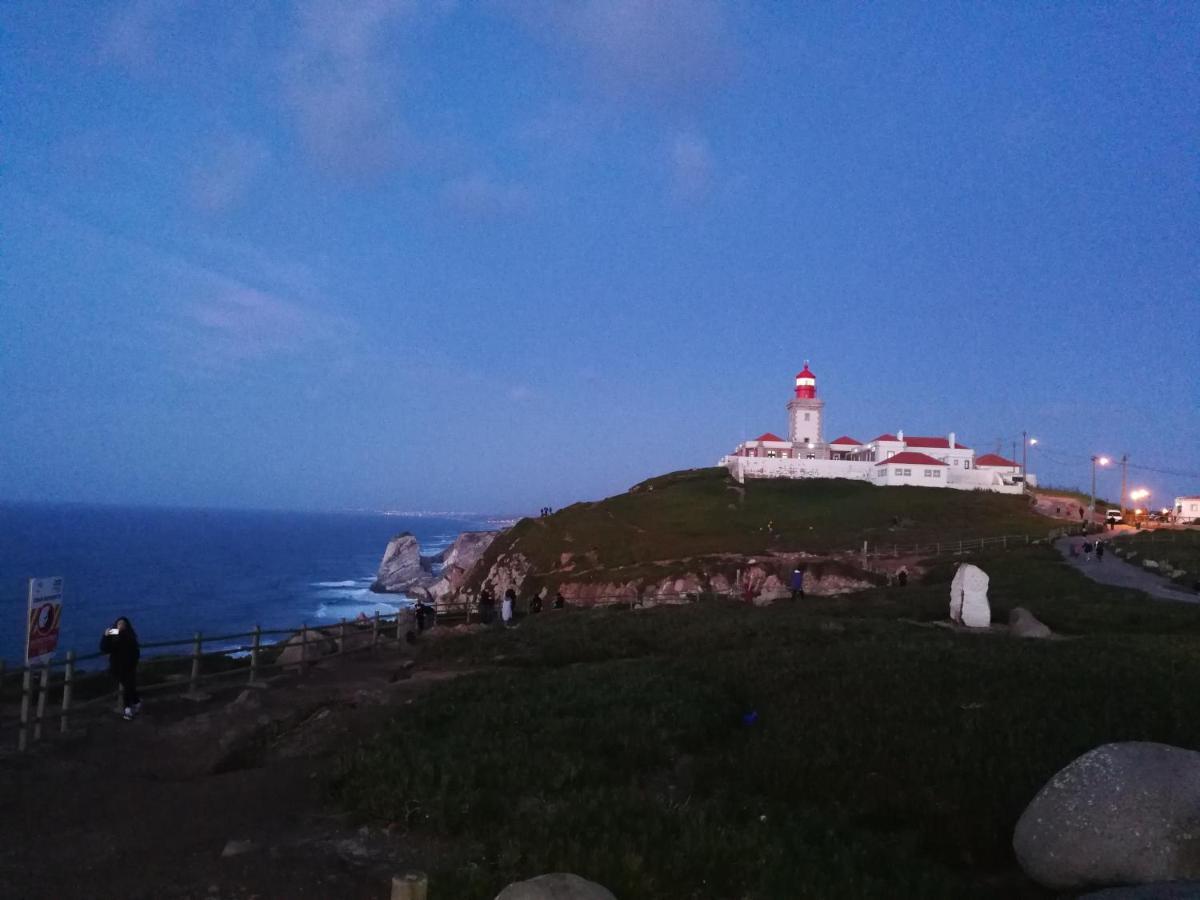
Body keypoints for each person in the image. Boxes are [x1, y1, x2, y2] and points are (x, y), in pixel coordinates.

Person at [100, 617, 141, 720]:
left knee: (127, 686)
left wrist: (134, 663)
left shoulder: (129, 635)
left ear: (126, 625)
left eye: (123, 623)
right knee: (129, 686)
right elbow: (104, 648)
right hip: (116, 667)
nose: (121, 625)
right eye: (119, 623)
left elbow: (136, 651)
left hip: (129, 666)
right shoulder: (113, 634)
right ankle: (136, 702)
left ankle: (127, 710)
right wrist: (105, 636)